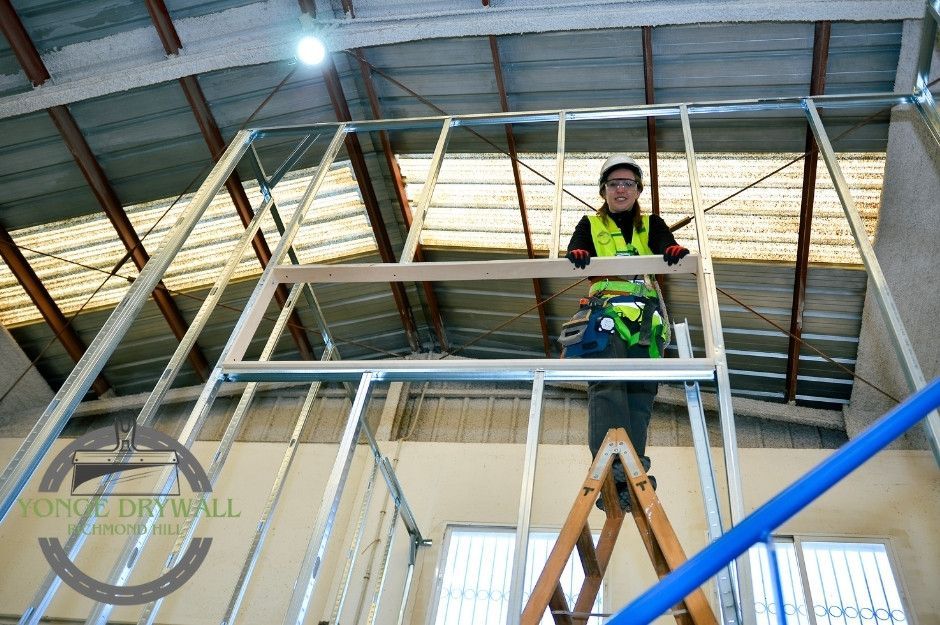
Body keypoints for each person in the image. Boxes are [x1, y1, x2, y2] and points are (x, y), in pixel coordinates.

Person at [561, 154, 689, 511]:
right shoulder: (589, 223)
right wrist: (579, 253)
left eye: (628, 184)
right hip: (606, 316)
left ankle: (633, 470)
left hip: (646, 324)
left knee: (641, 396)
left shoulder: (652, 224)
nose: (621, 189)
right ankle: (610, 472)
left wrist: (670, 251)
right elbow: (575, 248)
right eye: (614, 184)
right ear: (604, 190)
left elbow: (665, 244)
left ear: (638, 190)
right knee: (607, 387)